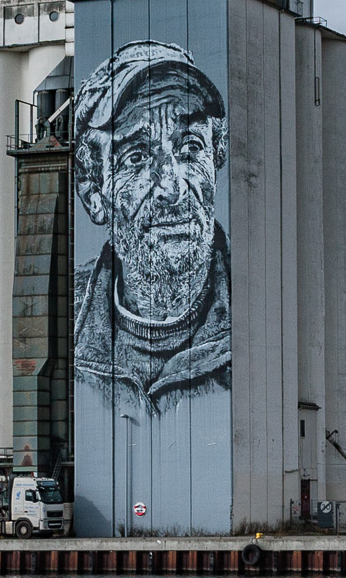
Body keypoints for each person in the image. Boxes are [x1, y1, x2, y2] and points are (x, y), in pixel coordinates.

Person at [70, 40, 231, 412]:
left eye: (190, 147)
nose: (171, 188)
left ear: (216, 156)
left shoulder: (265, 314)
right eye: (137, 156)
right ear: (93, 192)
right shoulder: (60, 326)